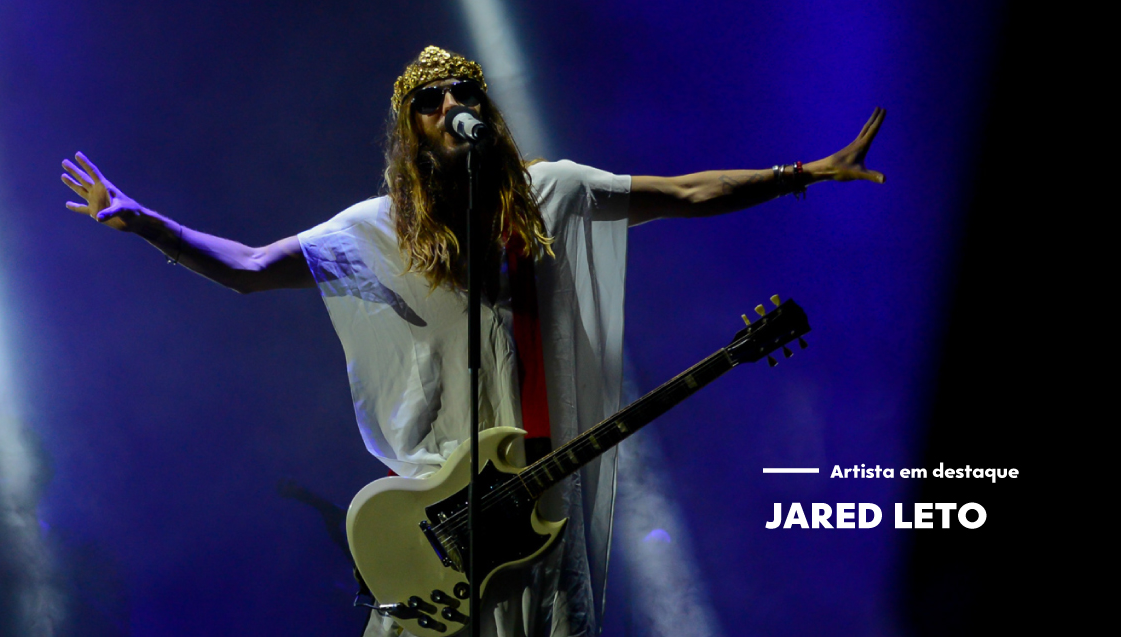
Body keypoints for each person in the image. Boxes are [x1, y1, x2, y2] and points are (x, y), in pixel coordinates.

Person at [61, 45, 884, 637]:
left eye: (463, 92)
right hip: (430, 524)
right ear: (408, 128)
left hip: (535, 513)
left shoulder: (550, 192)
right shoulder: (370, 231)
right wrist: (148, 224)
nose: (449, 104)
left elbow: (687, 191)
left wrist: (800, 174)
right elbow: (248, 267)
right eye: (429, 99)